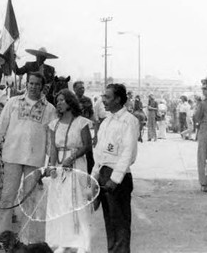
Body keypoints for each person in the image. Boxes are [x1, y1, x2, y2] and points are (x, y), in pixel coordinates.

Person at [0, 72, 57, 251]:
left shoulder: (49, 109)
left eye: (37, 84)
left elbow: (52, 139)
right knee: (7, 198)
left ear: (42, 87)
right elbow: (0, 128)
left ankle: (28, 239)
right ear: (26, 84)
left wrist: (51, 163)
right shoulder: (13, 103)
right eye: (31, 83)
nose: (33, 87)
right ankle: (0, 239)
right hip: (12, 157)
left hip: (35, 160)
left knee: (30, 201)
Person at [92, 83, 139, 253]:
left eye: (107, 97)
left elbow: (128, 153)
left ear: (118, 99)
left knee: (120, 224)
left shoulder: (130, 121)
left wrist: (115, 179)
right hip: (104, 174)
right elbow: (99, 152)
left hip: (118, 178)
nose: (103, 100)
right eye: (103, 97)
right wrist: (94, 176)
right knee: (110, 222)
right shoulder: (106, 121)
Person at [46, 89, 92, 253]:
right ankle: (63, 241)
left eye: (62, 100)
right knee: (60, 204)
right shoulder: (54, 124)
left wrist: (71, 158)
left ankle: (81, 243)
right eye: (57, 100)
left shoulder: (82, 122)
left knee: (77, 201)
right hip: (59, 166)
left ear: (71, 102)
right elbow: (53, 147)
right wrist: (52, 166)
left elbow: (87, 145)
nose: (58, 103)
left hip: (76, 164)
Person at [193, 73, 207, 193]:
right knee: (202, 156)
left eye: (206, 88)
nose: (204, 90)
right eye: (203, 88)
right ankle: (203, 182)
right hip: (205, 129)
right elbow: (196, 118)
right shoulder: (202, 103)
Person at [73, 81, 95, 173]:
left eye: (83, 88)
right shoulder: (71, 100)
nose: (82, 90)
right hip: (73, 129)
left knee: (89, 152)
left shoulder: (88, 100)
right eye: (79, 88)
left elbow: (91, 114)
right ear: (74, 89)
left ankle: (89, 175)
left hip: (85, 129)